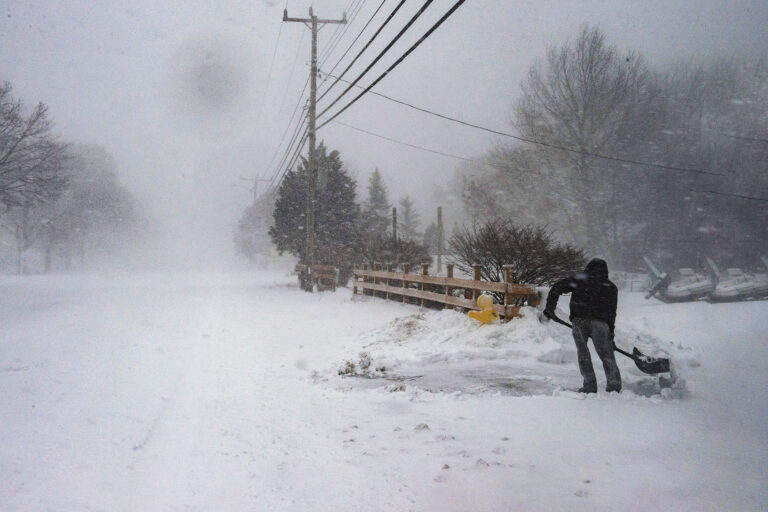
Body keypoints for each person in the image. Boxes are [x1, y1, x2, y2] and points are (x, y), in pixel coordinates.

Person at [544, 258, 621, 393]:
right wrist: (610, 335)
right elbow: (611, 313)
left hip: (579, 320)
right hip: (600, 324)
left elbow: (556, 288)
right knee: (607, 355)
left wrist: (550, 308)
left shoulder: (579, 279)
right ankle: (614, 386)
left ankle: (589, 386)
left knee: (583, 354)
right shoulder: (610, 287)